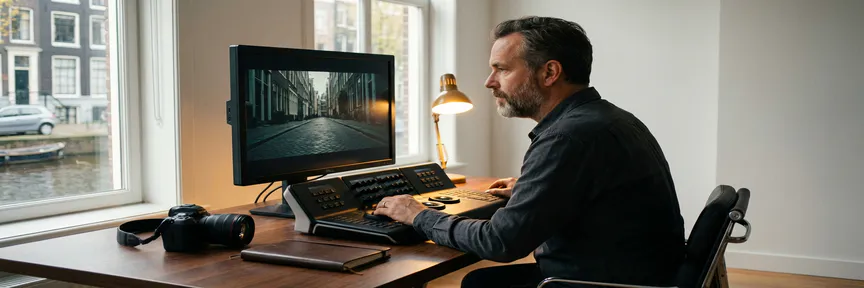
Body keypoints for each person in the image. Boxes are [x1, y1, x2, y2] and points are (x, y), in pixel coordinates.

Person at [373, 16, 685, 288]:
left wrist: (418, 215)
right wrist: (533, 192)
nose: (489, 82)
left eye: (501, 69)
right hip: (640, 275)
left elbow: (500, 242)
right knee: (479, 281)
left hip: (598, 282)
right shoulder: (610, 118)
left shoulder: (567, 137)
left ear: (549, 73)